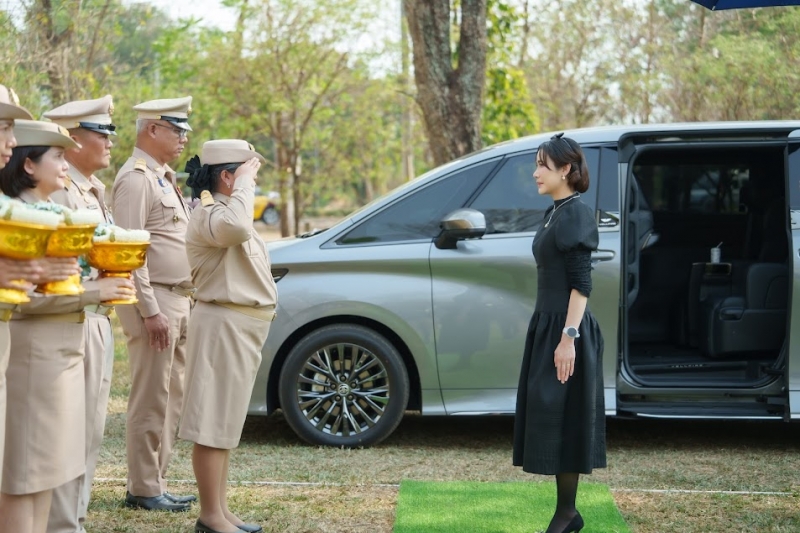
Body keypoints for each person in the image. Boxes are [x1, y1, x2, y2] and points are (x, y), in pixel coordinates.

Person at [0, 119, 135, 533]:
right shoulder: (19, 219)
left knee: (49, 473)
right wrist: (93, 291)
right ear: (28, 164)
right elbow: (25, 297)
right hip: (36, 352)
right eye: (58, 156)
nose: (65, 164)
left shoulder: (56, 214)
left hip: (63, 348)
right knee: (26, 476)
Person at [179, 140, 277, 533]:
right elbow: (236, 227)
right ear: (226, 176)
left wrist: (243, 185)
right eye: (249, 172)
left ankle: (219, 509)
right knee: (212, 425)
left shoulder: (227, 212)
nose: (255, 180)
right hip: (223, 326)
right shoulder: (212, 214)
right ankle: (210, 515)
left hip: (239, 328)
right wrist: (245, 185)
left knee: (225, 425)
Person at [512, 133, 605, 533]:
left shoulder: (575, 215)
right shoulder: (555, 211)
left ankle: (567, 514)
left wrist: (568, 338)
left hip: (567, 330)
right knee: (553, 417)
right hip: (548, 326)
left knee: (566, 419)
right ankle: (567, 512)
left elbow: (581, 284)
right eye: (536, 164)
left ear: (565, 169)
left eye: (542, 165)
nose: (536, 172)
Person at [43, 95, 126, 533]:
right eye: (102, 133)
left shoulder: (92, 188)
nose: (110, 142)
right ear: (74, 140)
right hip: (72, 316)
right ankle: (61, 523)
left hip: (97, 317)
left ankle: (74, 519)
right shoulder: (59, 189)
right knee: (68, 434)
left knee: (90, 430)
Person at [111, 96, 197, 512]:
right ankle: (144, 488)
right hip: (156, 299)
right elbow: (129, 254)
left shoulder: (163, 178)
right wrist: (150, 311)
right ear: (152, 130)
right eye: (177, 130)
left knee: (171, 398)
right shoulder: (136, 179)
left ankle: (156, 482)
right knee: (151, 397)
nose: (183, 139)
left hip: (175, 297)